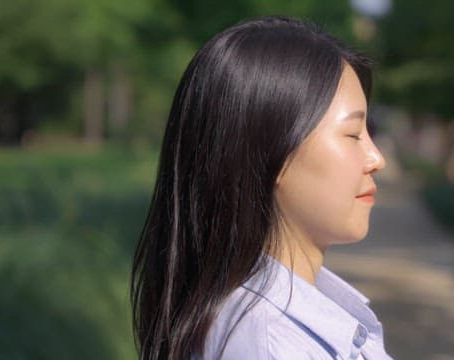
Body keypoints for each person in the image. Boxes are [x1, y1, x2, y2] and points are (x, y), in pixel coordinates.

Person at [131, 15, 392, 360]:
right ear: (272, 150)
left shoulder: (279, 320)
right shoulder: (270, 346)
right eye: (353, 135)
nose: (376, 158)